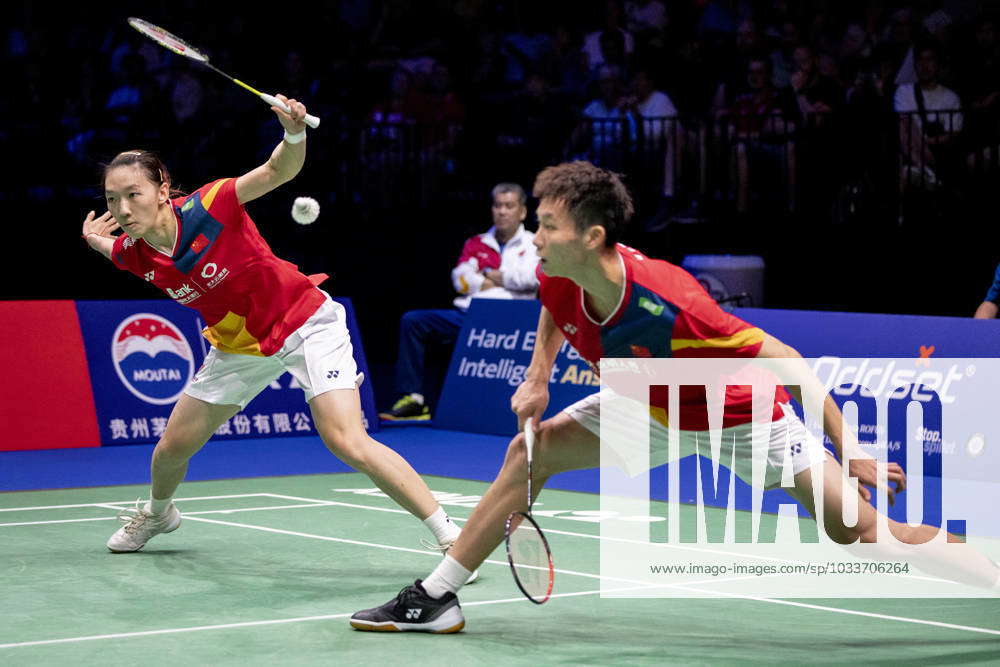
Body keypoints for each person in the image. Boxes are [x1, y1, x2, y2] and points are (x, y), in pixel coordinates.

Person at [350, 160, 1000, 633]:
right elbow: (553, 311)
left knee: (864, 531)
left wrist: (850, 445)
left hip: (740, 417)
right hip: (644, 404)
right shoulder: (556, 271)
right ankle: (436, 596)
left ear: (593, 237)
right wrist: (538, 373)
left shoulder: (676, 305)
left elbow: (791, 361)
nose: (536, 238)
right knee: (535, 452)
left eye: (547, 226)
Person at [81, 94, 471, 571]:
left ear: (163, 188)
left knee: (346, 439)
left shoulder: (210, 205)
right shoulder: (133, 252)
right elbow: (108, 247)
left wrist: (294, 132)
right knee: (172, 447)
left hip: (304, 321)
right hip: (238, 348)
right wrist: (92, 237)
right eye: (111, 200)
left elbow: (277, 172)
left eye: (132, 194)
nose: (121, 209)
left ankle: (452, 537)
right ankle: (159, 515)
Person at [379, 183, 539, 420]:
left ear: (522, 212)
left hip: (510, 319)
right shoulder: (477, 242)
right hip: (470, 315)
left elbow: (532, 279)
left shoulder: (533, 242)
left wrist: (490, 273)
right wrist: (492, 281)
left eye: (509, 206)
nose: (502, 211)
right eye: (497, 205)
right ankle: (413, 401)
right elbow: (460, 281)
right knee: (413, 321)